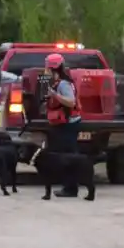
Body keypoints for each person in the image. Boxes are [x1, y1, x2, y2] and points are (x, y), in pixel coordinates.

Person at [44, 53, 82, 198]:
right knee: (66, 155)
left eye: (47, 66)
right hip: (64, 124)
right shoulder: (59, 81)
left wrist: (54, 95)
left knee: (68, 157)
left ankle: (71, 188)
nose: (45, 68)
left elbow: (71, 102)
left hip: (68, 125)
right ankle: (68, 186)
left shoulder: (63, 84)